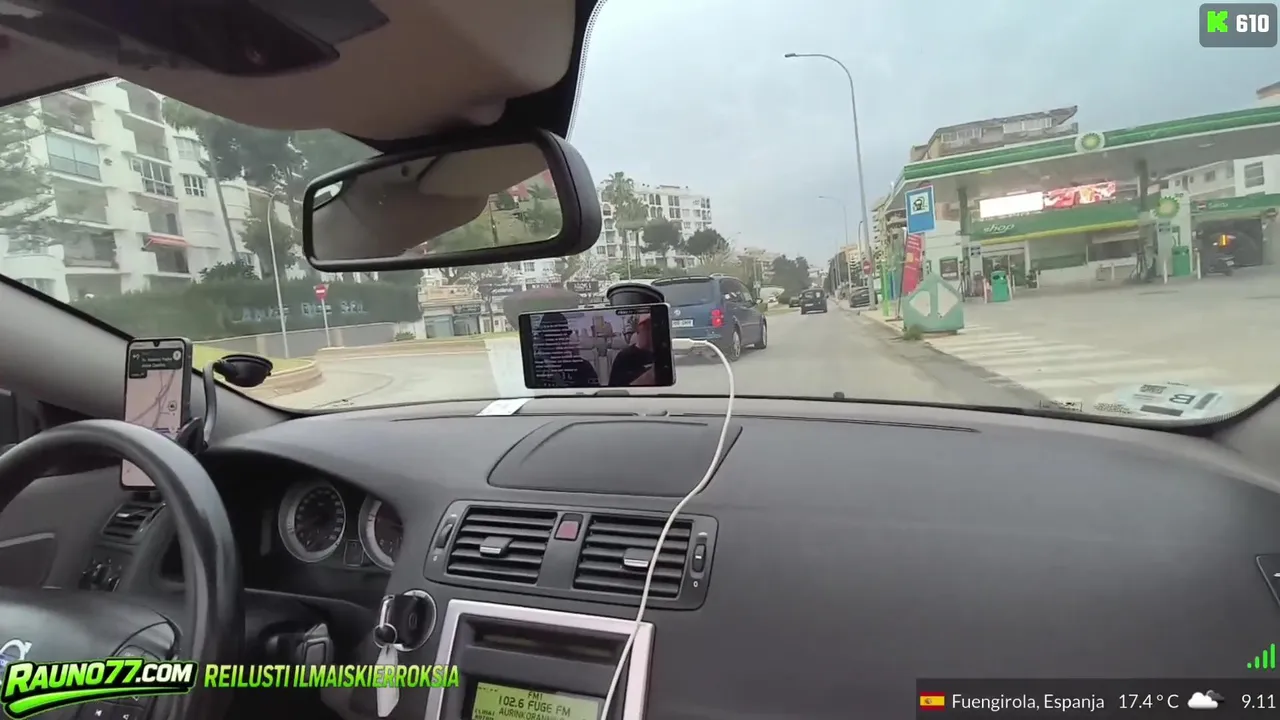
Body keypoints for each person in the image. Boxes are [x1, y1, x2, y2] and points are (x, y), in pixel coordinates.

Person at [532, 312, 599, 388]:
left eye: (563, 336)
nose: (560, 341)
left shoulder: (582, 366)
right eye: (553, 337)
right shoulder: (534, 367)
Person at [608, 313, 656, 387]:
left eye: (652, 329)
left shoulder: (661, 354)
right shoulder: (624, 357)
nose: (649, 333)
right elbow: (615, 389)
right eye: (646, 329)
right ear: (638, 331)